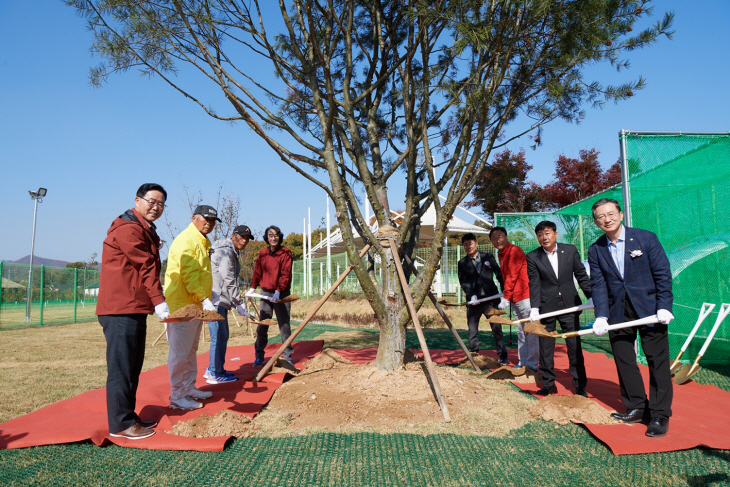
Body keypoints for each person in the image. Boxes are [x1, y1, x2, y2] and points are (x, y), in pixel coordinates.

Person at [588, 198, 674, 437]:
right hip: (617, 311)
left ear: (621, 214)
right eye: (601, 217)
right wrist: (601, 316)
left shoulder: (646, 238)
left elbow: (663, 274)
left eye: (611, 213)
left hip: (650, 308)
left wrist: (664, 305)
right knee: (623, 359)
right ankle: (636, 406)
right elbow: (599, 285)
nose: (607, 219)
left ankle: (659, 414)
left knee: (657, 361)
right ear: (596, 222)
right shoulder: (596, 249)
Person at [97, 183, 169, 440]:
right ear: (137, 200)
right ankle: (120, 424)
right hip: (120, 308)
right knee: (121, 367)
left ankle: (129, 415)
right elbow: (146, 265)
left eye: (161, 204)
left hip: (134, 306)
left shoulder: (143, 229)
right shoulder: (129, 228)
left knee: (132, 365)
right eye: (151, 201)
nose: (155, 207)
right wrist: (159, 300)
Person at [164, 205, 221, 410]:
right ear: (194, 217)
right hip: (183, 304)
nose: (209, 223)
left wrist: (208, 294)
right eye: (205, 219)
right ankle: (177, 395)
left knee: (190, 350)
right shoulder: (187, 240)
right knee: (180, 352)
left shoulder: (202, 240)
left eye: (213, 221)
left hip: (194, 303)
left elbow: (199, 272)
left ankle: (188, 387)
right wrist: (203, 297)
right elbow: (188, 273)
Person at [526, 221, 591, 396]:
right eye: (540, 234)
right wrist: (535, 308)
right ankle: (548, 384)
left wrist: (591, 295)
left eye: (547, 233)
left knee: (574, 345)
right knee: (546, 346)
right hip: (547, 307)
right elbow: (534, 284)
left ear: (556, 234)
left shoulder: (569, 250)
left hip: (570, 305)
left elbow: (581, 274)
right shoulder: (533, 256)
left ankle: (579, 386)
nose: (543, 237)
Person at [205, 225, 253, 384]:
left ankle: (214, 368)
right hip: (217, 299)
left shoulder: (229, 250)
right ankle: (214, 372)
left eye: (247, 239)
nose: (245, 241)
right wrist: (238, 302)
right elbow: (229, 278)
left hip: (221, 299)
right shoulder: (225, 251)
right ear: (233, 236)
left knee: (221, 335)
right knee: (218, 337)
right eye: (242, 237)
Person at [490, 226, 538, 371]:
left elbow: (512, 276)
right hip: (514, 298)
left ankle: (532, 365)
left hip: (524, 296)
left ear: (506, 236)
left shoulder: (514, 251)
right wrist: (508, 297)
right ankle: (522, 362)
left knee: (530, 330)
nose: (497, 240)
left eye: (499, 236)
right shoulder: (501, 253)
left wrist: (505, 297)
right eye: (493, 238)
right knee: (520, 330)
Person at [457, 233, 508, 365]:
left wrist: (504, 291)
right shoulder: (462, 263)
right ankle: (473, 355)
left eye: (471, 243)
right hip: (474, 302)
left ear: (476, 244)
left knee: (497, 328)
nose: (469, 246)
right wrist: (471, 294)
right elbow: (463, 282)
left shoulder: (488, 257)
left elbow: (498, 273)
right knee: (473, 329)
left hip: (491, 299)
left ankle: (503, 356)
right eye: (466, 244)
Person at [247, 225, 294, 366]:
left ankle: (287, 356)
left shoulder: (286, 253)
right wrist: (253, 288)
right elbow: (257, 272)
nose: (273, 238)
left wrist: (279, 291)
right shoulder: (262, 253)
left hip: (282, 293)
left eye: (276, 235)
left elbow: (285, 274)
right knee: (263, 324)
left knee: (284, 325)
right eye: (270, 235)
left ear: (279, 237)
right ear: (267, 238)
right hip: (266, 293)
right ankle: (259, 356)